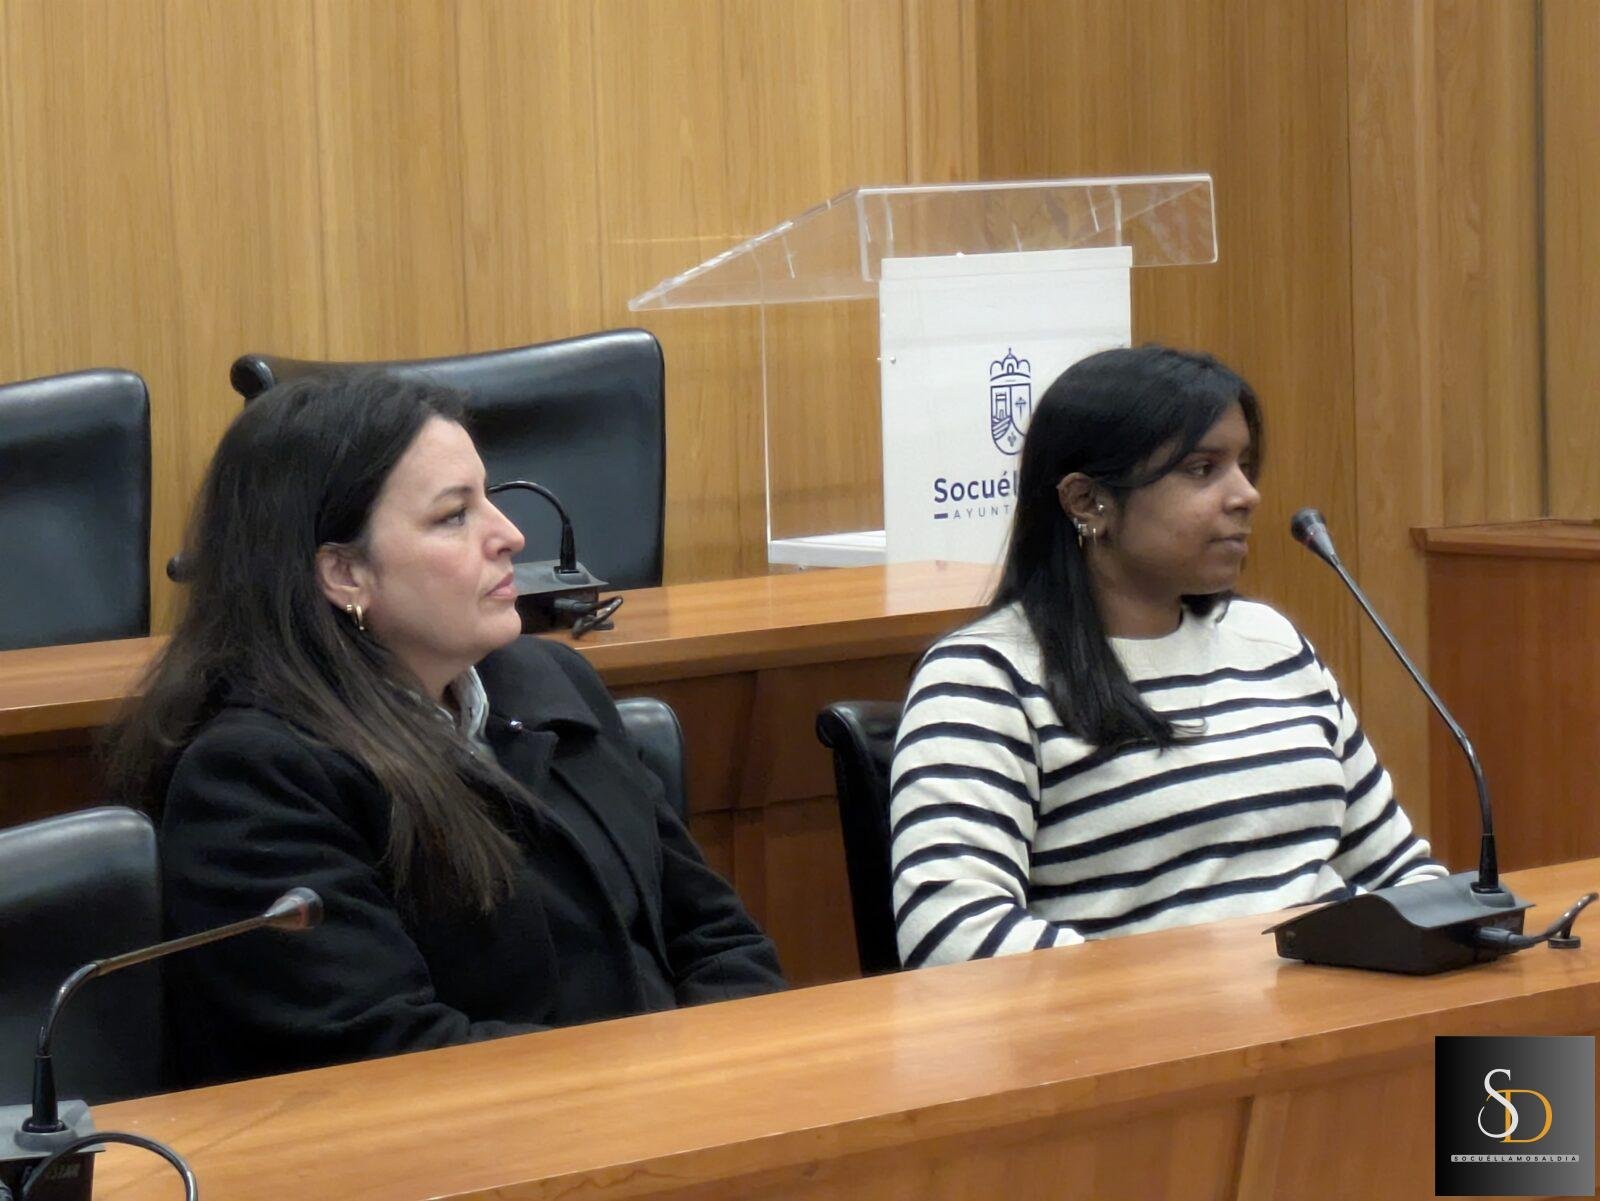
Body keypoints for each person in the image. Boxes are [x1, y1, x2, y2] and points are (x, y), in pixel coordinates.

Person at [108, 372, 783, 1086]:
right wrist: (654, 1088)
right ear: (344, 573)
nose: (511, 535)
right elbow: (392, 1055)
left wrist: (728, 1080)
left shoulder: (553, 683)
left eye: (490, 497)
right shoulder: (256, 781)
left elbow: (718, 938)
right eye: (454, 516)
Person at [890, 345, 1444, 970]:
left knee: (1515, 1016)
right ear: (1087, 501)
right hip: (1140, 1025)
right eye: (1202, 469)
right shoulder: (985, 678)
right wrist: (1186, 998)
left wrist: (1459, 937)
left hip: (1340, 1010)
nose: (1247, 495)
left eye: (1244, 465)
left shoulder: (1270, 641)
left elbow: (1397, 872)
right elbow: (951, 936)